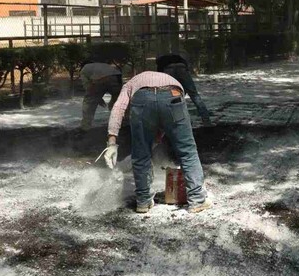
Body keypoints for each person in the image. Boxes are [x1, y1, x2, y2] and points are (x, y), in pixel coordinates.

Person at [100, 71, 210, 214]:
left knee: (140, 155)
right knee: (187, 151)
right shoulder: (172, 79)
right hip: (173, 95)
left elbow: (118, 108)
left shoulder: (130, 84)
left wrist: (112, 141)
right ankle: (197, 200)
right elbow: (165, 117)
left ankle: (143, 202)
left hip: (141, 101)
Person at [156, 54, 212, 126]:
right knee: (194, 95)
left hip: (169, 69)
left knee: (172, 96)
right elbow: (186, 66)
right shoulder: (176, 58)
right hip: (182, 67)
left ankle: (179, 122)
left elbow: (160, 74)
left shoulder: (161, 62)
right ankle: (206, 121)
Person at [80, 59, 123, 131]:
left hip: (101, 78)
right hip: (117, 76)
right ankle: (121, 123)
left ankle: (85, 127)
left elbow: (88, 87)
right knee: (117, 100)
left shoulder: (84, 69)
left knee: (89, 102)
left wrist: (97, 98)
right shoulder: (100, 65)